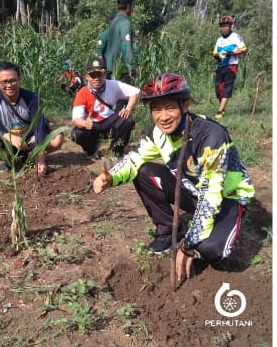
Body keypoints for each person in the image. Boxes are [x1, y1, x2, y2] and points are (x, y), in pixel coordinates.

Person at [93, 73, 254, 284]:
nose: (163, 117)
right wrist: (111, 177)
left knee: (210, 249)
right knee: (144, 171)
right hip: (193, 190)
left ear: (185, 105)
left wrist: (189, 244)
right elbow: (135, 159)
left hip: (225, 197)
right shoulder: (156, 133)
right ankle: (169, 233)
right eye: (156, 109)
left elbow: (210, 197)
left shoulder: (210, 136)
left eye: (170, 107)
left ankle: (206, 234)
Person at [0, 61, 64, 173]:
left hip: (30, 139)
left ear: (19, 80)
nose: (9, 85)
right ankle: (9, 161)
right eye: (4, 82)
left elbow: (39, 127)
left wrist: (40, 156)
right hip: (8, 141)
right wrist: (9, 136)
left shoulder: (32, 98)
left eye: (13, 80)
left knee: (57, 139)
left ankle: (31, 156)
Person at [71, 56, 139, 159]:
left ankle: (116, 151)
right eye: (92, 75)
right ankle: (92, 149)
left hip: (109, 122)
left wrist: (128, 108)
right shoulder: (82, 93)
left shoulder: (113, 85)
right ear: (87, 77)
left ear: (105, 74)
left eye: (99, 74)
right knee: (76, 134)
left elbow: (135, 92)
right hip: (92, 125)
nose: (96, 78)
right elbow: (76, 120)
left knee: (127, 120)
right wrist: (84, 123)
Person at [212, 15, 248, 119]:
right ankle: (223, 109)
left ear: (230, 26)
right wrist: (216, 56)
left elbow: (244, 50)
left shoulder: (235, 37)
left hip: (231, 65)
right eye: (222, 26)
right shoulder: (219, 40)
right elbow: (214, 52)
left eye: (226, 25)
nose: (223, 28)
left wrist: (231, 53)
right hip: (220, 65)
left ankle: (220, 111)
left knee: (227, 87)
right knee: (218, 88)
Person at [104, 0, 135, 81]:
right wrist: (131, 66)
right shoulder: (125, 23)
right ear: (128, 6)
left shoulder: (113, 22)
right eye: (132, 6)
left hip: (110, 68)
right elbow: (126, 46)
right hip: (121, 70)